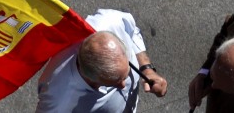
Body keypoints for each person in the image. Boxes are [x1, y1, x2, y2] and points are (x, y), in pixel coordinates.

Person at [36, 8, 167, 112]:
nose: (124, 85)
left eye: (125, 74)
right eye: (116, 82)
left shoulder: (111, 21)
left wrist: (146, 68)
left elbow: (132, 31)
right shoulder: (58, 100)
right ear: (92, 78)